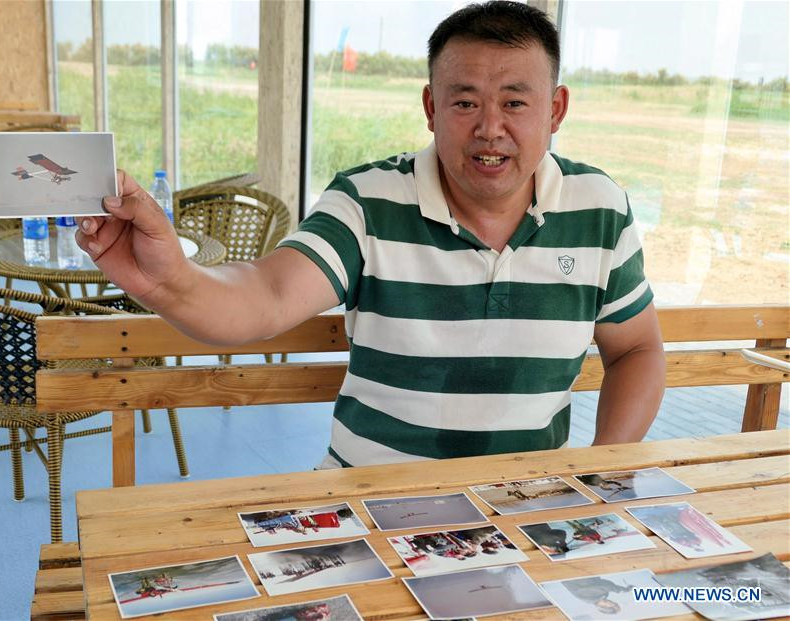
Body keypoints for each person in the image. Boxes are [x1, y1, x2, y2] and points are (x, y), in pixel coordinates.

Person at [76, 1, 665, 469]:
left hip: (523, 510)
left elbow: (636, 348)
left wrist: (601, 471)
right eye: (465, 102)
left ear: (555, 110)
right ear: (431, 107)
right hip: (369, 503)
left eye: (515, 102)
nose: (491, 128)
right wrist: (171, 279)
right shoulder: (367, 200)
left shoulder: (599, 207)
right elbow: (266, 294)